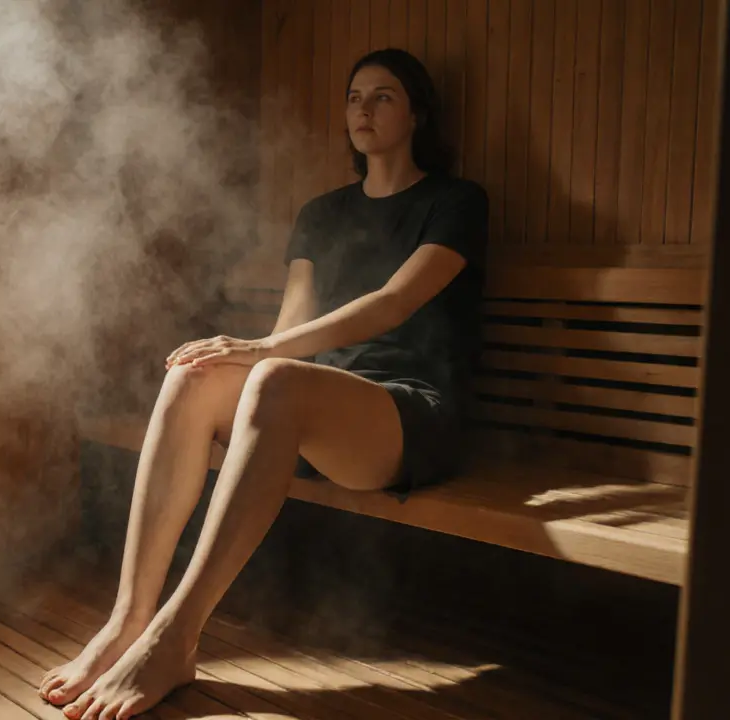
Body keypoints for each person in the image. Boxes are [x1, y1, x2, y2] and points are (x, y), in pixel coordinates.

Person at [38, 47, 489, 720]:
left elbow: (396, 301)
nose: (363, 110)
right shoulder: (321, 213)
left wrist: (266, 353)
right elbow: (294, 322)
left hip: (408, 415)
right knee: (195, 375)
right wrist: (242, 359)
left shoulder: (454, 202)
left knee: (274, 378)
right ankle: (127, 622)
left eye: (384, 97)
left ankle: (174, 636)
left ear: (418, 113)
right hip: (312, 404)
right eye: (354, 97)